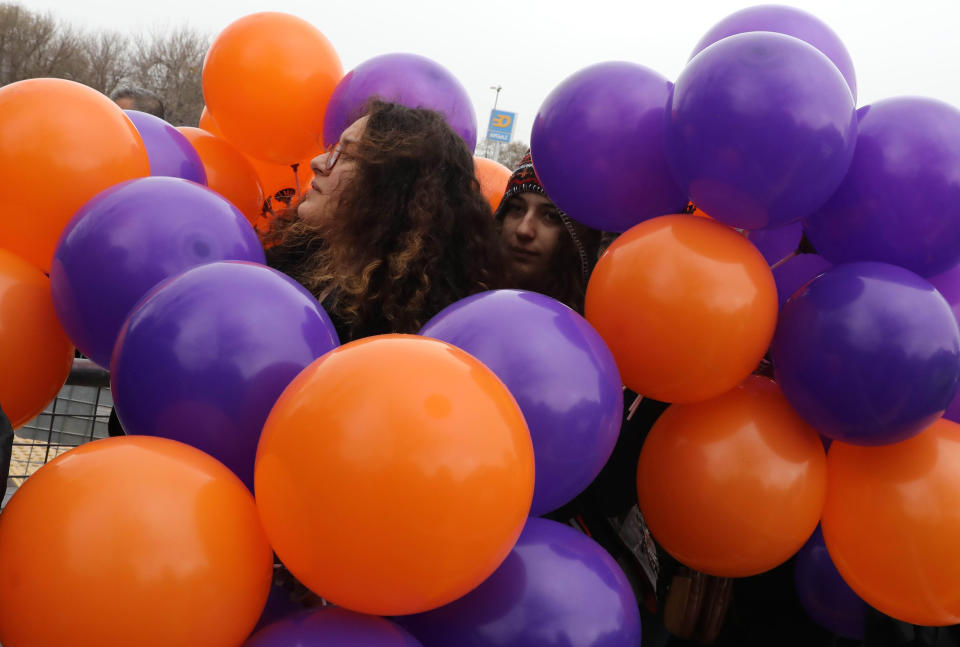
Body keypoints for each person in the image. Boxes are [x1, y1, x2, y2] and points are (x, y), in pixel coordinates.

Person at [265, 100, 502, 342]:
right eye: (333, 150)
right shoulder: (286, 263)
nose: (318, 163)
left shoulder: (404, 334)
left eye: (345, 155)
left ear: (391, 191)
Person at [494, 152, 602, 313]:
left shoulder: (597, 321)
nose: (523, 230)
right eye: (517, 208)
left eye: (550, 216)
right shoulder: (463, 295)